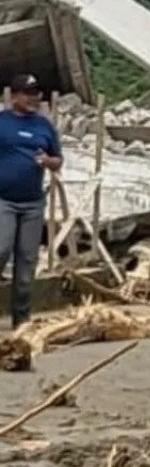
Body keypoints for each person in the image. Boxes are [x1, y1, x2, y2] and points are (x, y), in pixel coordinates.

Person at [0, 74, 62, 329]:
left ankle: (21, 322)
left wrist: (48, 162)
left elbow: (58, 160)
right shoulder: (2, 122)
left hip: (33, 204)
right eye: (27, 93)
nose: (33, 98)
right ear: (14, 96)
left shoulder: (44, 126)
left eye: (36, 93)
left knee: (27, 263)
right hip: (3, 200)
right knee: (1, 250)